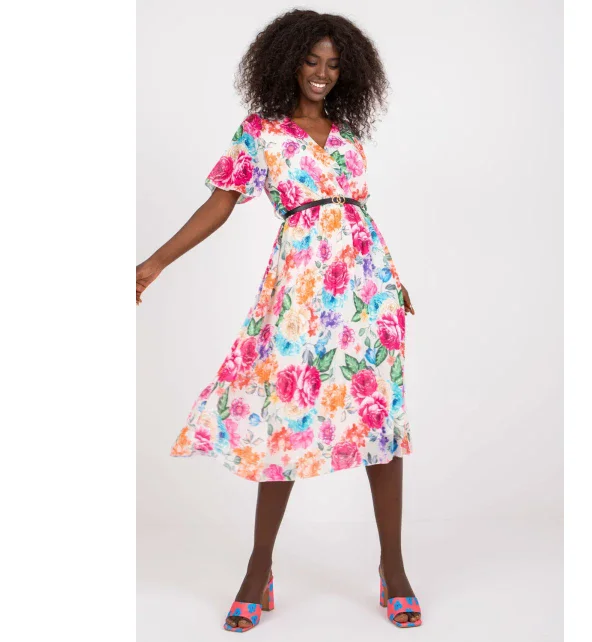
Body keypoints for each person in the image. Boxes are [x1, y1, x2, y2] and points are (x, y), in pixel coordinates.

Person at [136, 9, 421, 631]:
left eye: (334, 64)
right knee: (283, 423)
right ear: (288, 62)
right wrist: (154, 263)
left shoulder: (346, 134)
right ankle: (257, 568)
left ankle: (393, 568)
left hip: (367, 293)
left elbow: (356, 215)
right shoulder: (261, 132)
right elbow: (219, 206)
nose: (322, 73)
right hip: (299, 292)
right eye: (311, 60)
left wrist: (393, 280)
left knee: (378, 421)